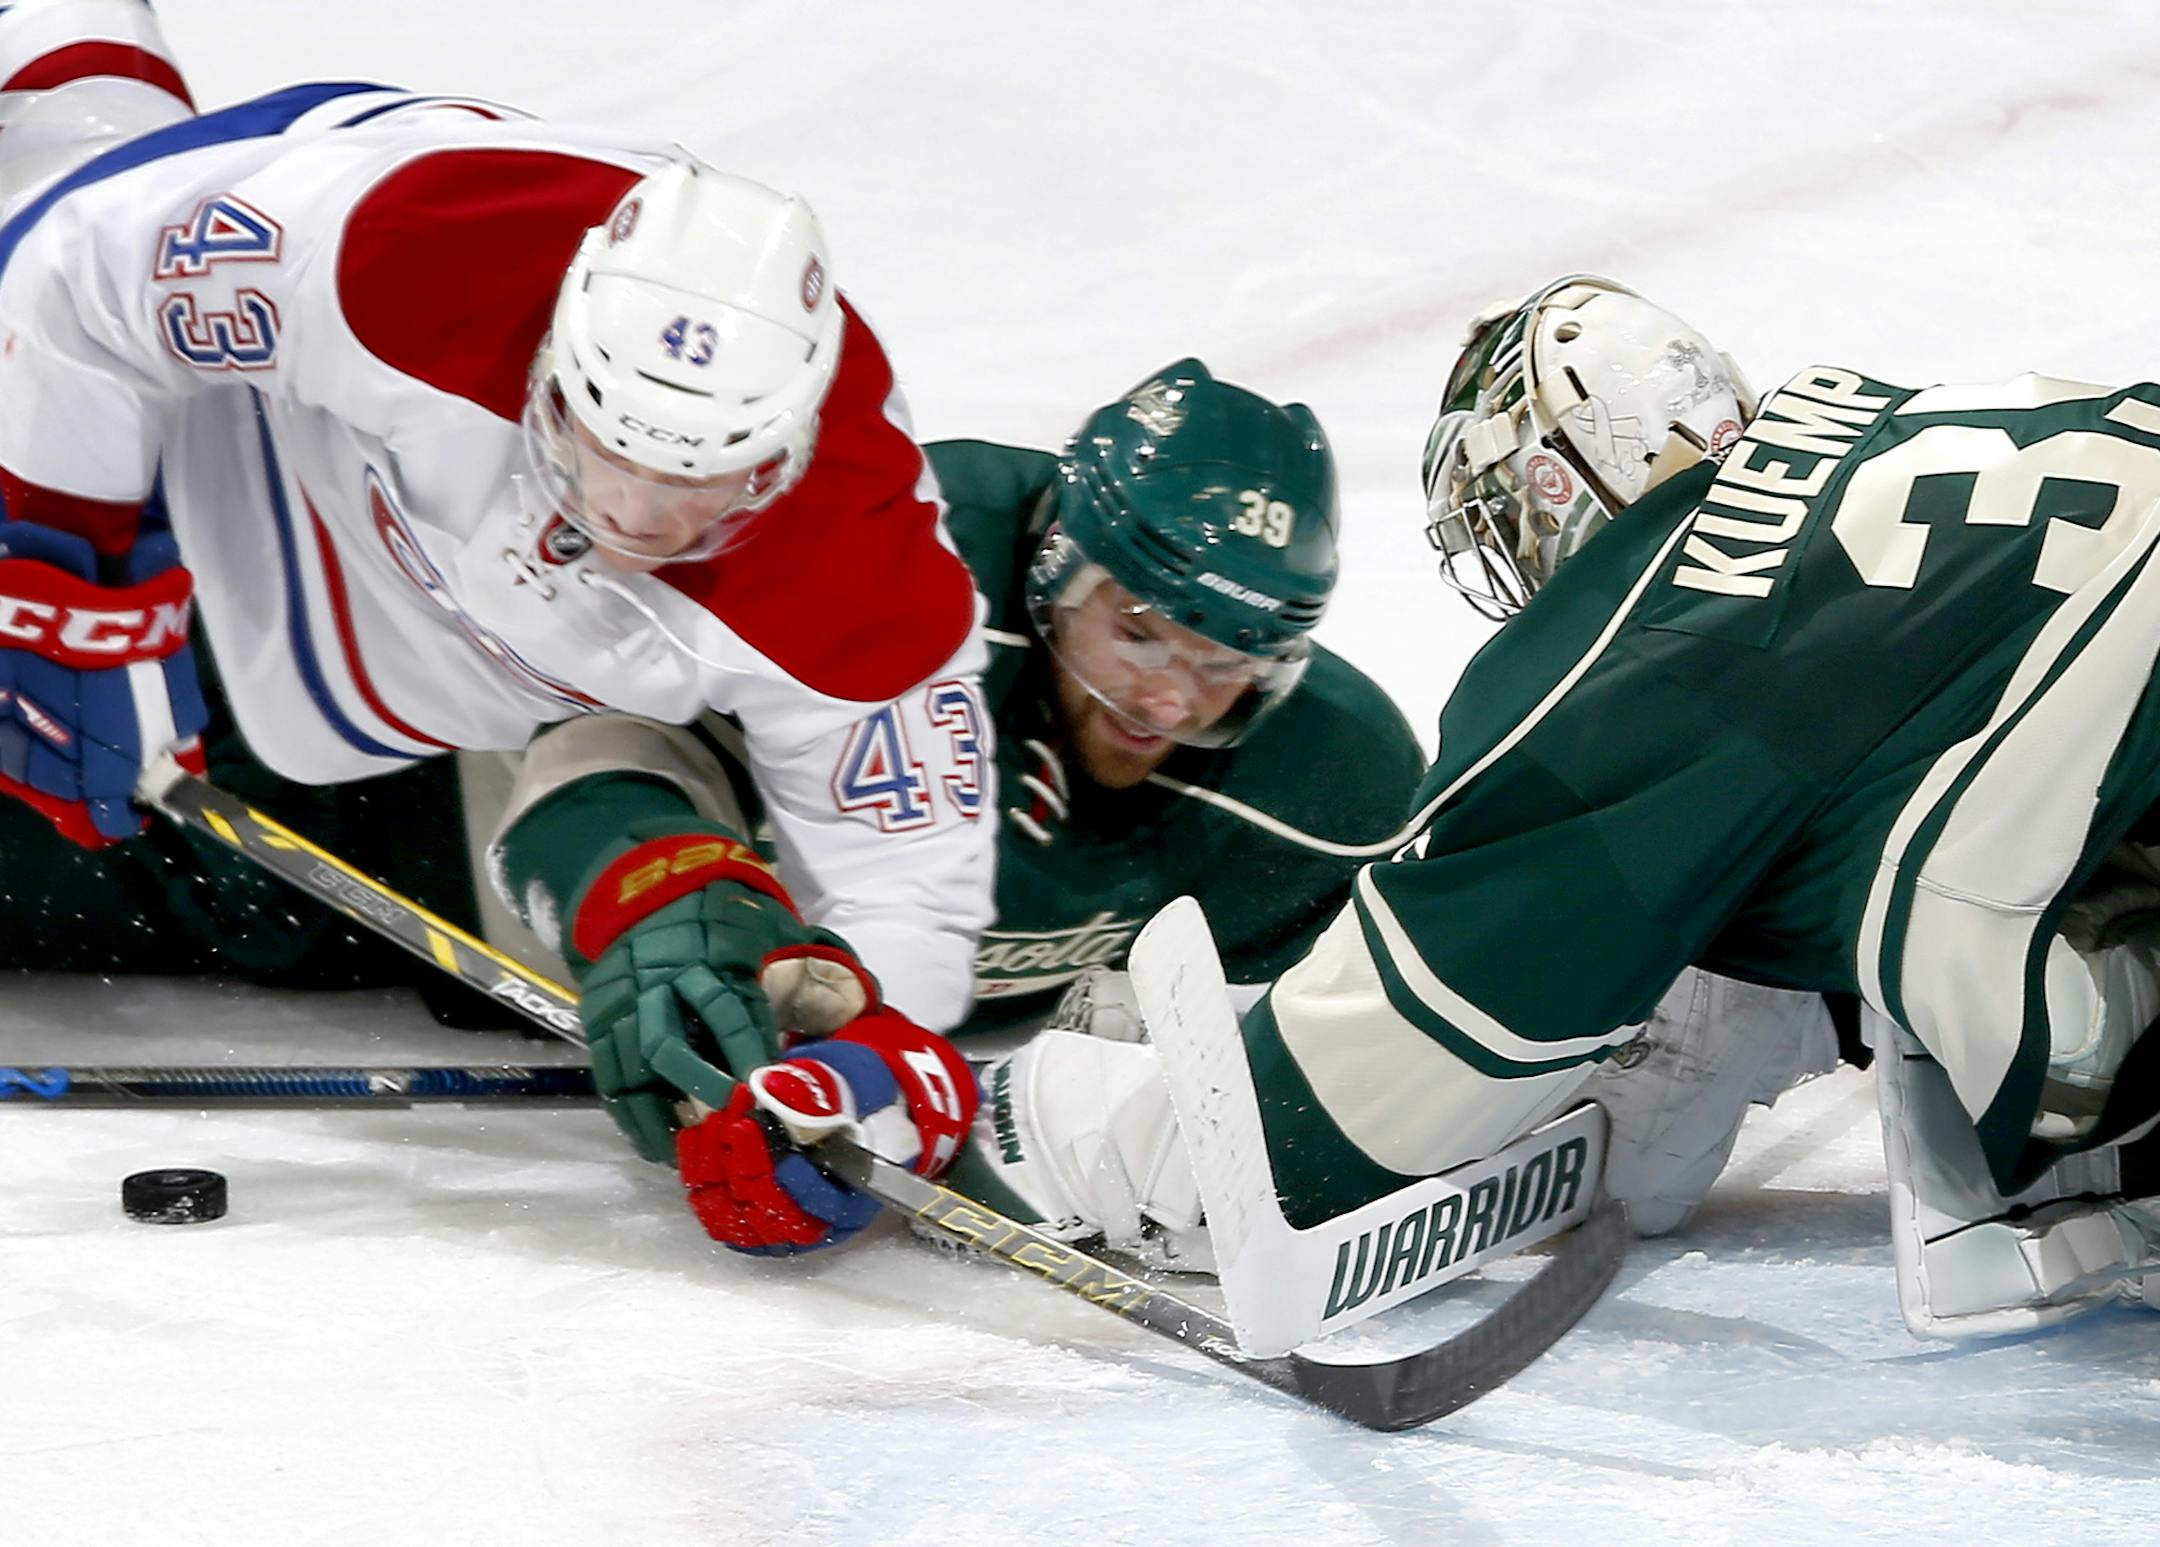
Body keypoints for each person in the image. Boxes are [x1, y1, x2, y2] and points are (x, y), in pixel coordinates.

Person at [0, 0, 995, 1213]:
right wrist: (63, 587)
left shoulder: (861, 573)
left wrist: (860, 1085)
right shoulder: (406, 255)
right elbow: (73, 279)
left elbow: (909, 908)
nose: (629, 515)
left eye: (694, 485)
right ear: (556, 359)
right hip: (273, 371)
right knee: (56, 195)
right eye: (599, 447)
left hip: (372, 618)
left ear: (779, 458)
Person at [1186, 273, 2160, 1331]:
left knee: (2060, 994)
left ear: (1562, 475)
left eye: (1508, 510)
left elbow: (1338, 1111)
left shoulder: (1671, 643)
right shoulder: (1892, 441)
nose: (1516, 557)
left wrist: (1084, 1136)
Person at [481, 360, 1428, 1256]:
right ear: (1058, 563)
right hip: (432, 831)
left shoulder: (1332, 786)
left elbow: (1291, 1043)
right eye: (1138, 633)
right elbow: (587, 719)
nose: (1169, 700)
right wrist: (654, 891)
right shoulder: (885, 572)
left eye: (1225, 662)